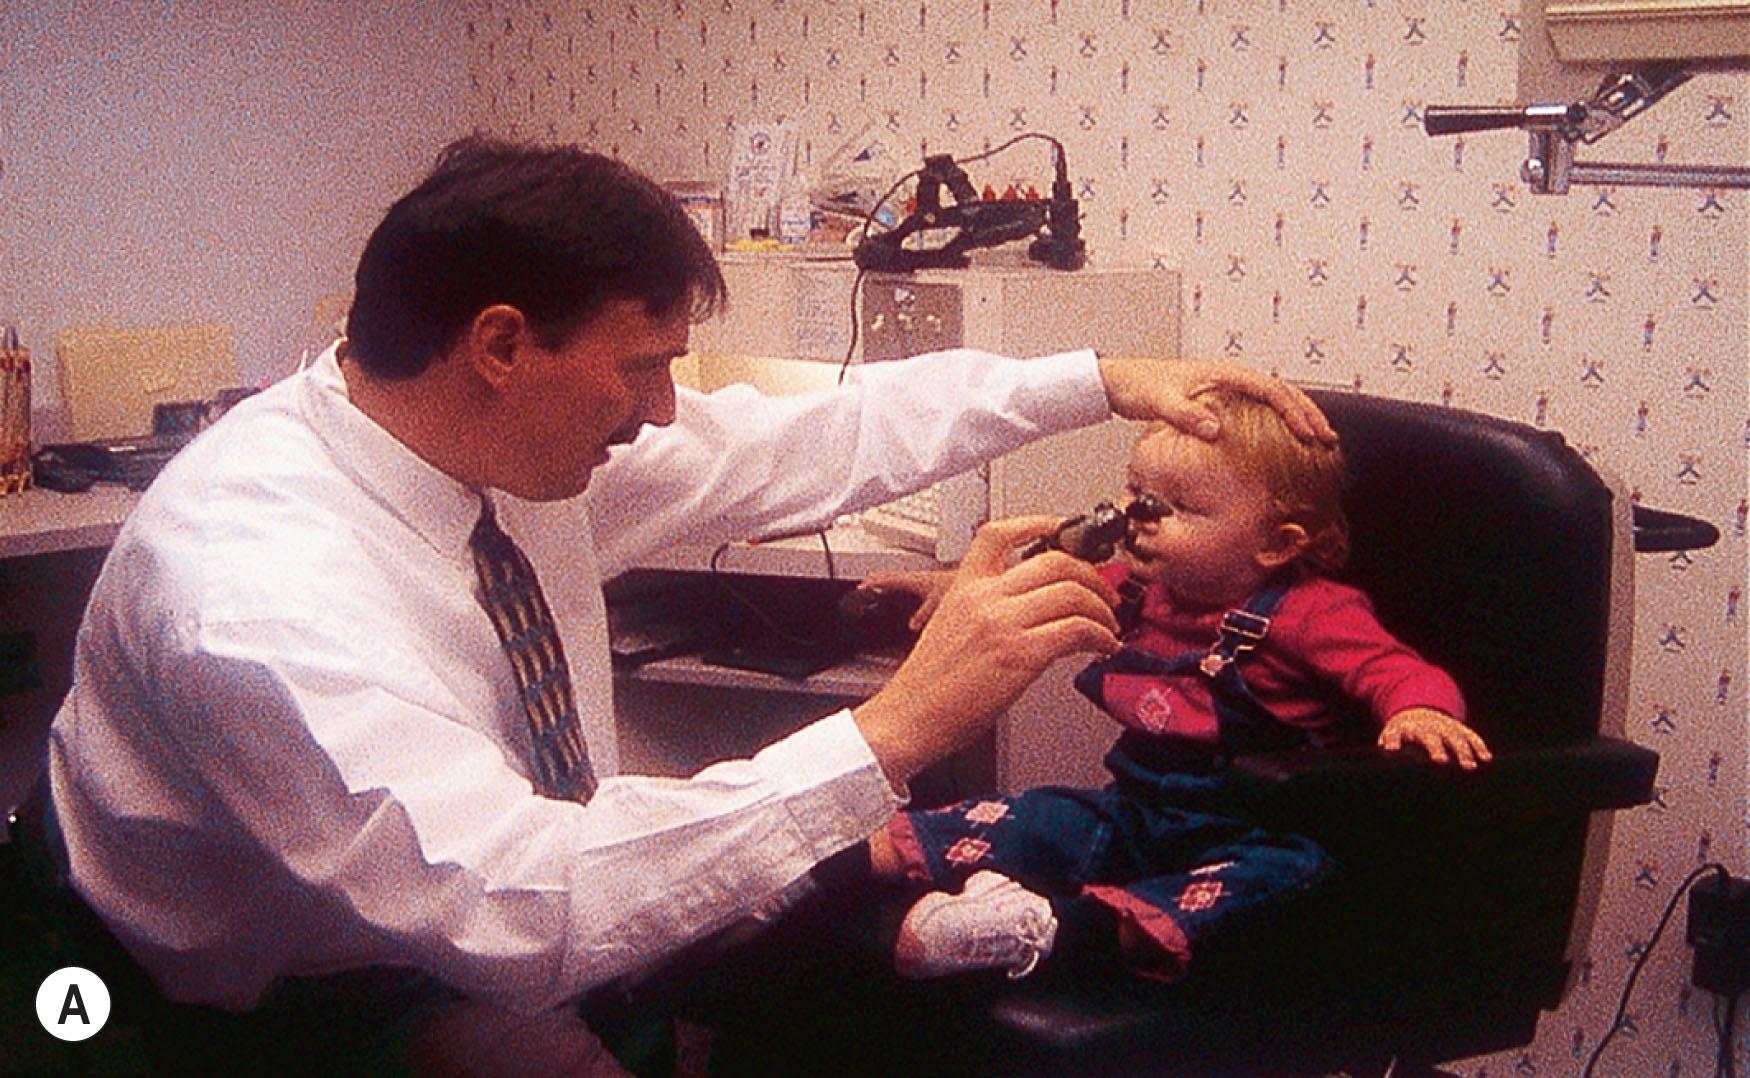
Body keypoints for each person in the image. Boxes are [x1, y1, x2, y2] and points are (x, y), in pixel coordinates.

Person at [35, 135, 1334, 1074]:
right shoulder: (257, 593)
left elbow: (799, 440)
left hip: (435, 925)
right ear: (498, 344)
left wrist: (1097, 375)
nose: (664, 409)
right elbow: (522, 904)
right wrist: (897, 724)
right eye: (644, 366)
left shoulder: (477, 435)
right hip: (210, 994)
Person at [862, 388, 1491, 986]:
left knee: (1270, 880)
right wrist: (958, 591)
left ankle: (1037, 929)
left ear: (1277, 542)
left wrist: (1420, 711)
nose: (1140, 519)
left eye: (1178, 508)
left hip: (1251, 832)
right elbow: (1035, 592)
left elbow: (1397, 672)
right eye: (1138, 493)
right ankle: (822, 870)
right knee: (1027, 815)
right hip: (1134, 812)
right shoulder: (1137, 588)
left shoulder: (1312, 614)